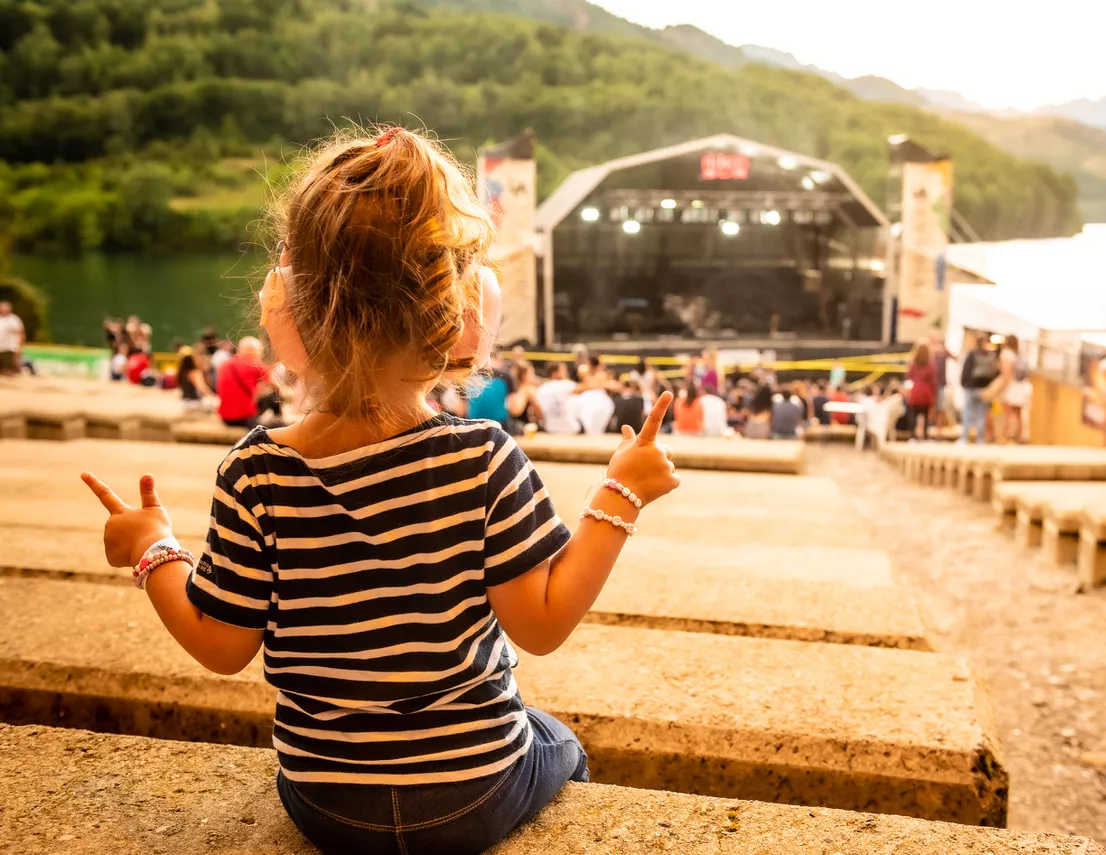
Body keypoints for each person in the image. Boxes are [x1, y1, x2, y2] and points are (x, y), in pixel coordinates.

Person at [79, 125, 681, 855]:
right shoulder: (483, 457)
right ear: (457, 315)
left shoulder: (253, 472)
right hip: (476, 793)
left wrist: (155, 548)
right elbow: (542, 625)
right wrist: (621, 492)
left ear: (289, 311)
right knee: (559, 740)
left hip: (325, 802)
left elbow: (219, 644)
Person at [216, 337, 281, 428]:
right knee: (273, 396)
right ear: (256, 351)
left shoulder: (224, 364)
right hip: (246, 418)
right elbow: (275, 386)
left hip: (225, 418)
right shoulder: (257, 365)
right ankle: (278, 418)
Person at [959, 332, 999, 445]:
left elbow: (966, 370)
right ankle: (980, 439)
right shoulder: (990, 356)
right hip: (983, 388)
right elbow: (994, 372)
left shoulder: (972, 354)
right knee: (981, 415)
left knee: (968, 413)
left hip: (971, 387)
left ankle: (964, 438)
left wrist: (964, 383)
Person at [467, 351, 516, 431]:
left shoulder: (469, 375)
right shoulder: (506, 376)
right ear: (499, 359)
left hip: (473, 426)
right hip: (500, 426)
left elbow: (461, 409)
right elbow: (515, 409)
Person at [999, 334, 1032, 444]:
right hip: (1023, 386)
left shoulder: (1007, 354)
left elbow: (1006, 373)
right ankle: (1021, 437)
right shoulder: (1020, 354)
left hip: (1012, 386)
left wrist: (1002, 388)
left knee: (1008, 413)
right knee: (1019, 414)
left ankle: (1005, 437)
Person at [905, 340, 938, 440]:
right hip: (926, 392)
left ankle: (912, 435)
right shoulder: (931, 365)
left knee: (913, 415)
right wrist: (934, 394)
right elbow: (934, 381)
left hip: (915, 391)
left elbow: (908, 377)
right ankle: (925, 435)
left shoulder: (912, 364)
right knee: (925, 415)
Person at [535, 362, 580, 434]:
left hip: (549, 430)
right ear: (554, 373)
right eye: (563, 370)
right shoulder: (566, 384)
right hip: (570, 430)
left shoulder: (541, 388)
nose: (566, 372)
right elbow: (584, 388)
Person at [176, 346, 215, 412]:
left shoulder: (182, 373)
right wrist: (213, 396)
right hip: (194, 403)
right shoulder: (195, 373)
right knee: (212, 402)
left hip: (184, 402)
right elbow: (203, 388)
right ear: (192, 362)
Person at [0, 301, 25, 376]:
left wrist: (20, 345)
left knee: (10, 369)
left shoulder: (13, 319)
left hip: (9, 348)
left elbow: (20, 333)